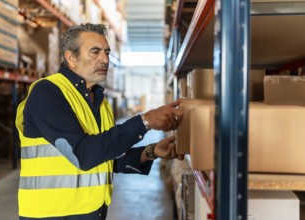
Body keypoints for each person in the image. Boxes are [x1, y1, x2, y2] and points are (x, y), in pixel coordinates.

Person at [15, 23, 184, 220]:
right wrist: (144, 122)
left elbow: (105, 157)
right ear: (71, 58)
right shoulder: (47, 93)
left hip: (91, 212)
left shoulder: (99, 102)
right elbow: (83, 154)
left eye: (106, 52)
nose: (104, 59)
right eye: (94, 52)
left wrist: (151, 151)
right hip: (51, 214)